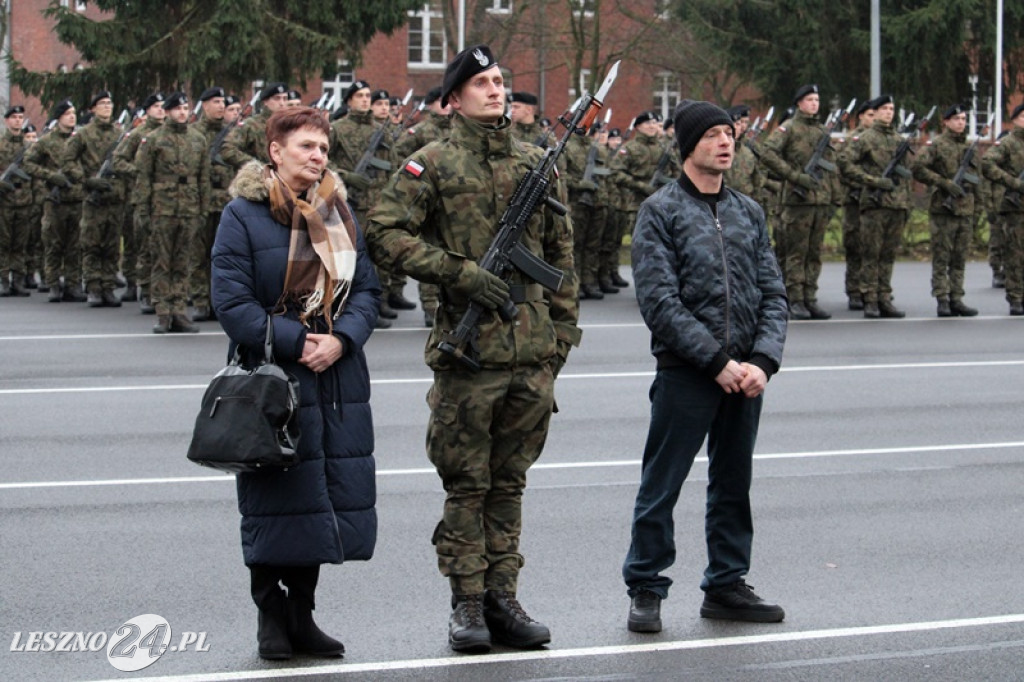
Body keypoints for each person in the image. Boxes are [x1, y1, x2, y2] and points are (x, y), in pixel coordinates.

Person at [367, 44, 580, 654]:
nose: (496, 90)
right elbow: (383, 232)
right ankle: (466, 603)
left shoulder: (540, 162)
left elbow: (561, 259)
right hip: (469, 354)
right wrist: (458, 274)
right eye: (482, 83)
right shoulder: (430, 163)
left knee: (510, 483)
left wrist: (561, 338)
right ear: (454, 98)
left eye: (499, 81)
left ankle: (503, 598)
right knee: (468, 484)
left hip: (531, 351)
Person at [211, 107, 380, 659]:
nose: (318, 156)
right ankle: (270, 616)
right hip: (272, 378)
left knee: (319, 500)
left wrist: (343, 338)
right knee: (272, 498)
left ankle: (303, 615)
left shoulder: (339, 214)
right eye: (306, 146)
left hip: (334, 378)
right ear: (275, 152)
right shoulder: (242, 214)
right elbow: (232, 303)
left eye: (324, 148)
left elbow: (368, 294)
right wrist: (294, 341)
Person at [623, 100, 788, 634]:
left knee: (733, 484)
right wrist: (716, 362)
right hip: (688, 373)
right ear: (689, 144)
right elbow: (659, 301)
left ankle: (726, 584)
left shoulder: (748, 211)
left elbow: (773, 294)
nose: (726, 142)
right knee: (662, 485)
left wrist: (763, 361)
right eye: (714, 134)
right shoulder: (661, 211)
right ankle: (646, 585)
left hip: (745, 378)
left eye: (731, 134)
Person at [135, 92, 210, 333]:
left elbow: (203, 178)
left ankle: (179, 309)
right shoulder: (153, 139)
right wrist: (143, 210)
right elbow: (144, 177)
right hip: (162, 208)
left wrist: (203, 209)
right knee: (162, 261)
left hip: (189, 208)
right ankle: (163, 312)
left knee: (182, 261)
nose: (182, 112)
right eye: (176, 108)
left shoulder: (198, 139)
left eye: (185, 108)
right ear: (167, 112)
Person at [759, 84, 835, 320]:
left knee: (814, 252)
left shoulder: (822, 130)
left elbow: (831, 168)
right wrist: (793, 176)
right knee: (796, 253)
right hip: (796, 200)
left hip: (819, 200)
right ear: (799, 103)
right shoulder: (789, 128)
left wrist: (831, 197)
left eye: (817, 99)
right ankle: (794, 299)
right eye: (810, 99)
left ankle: (810, 297)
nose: (814, 103)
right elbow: (767, 152)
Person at [838, 95, 910, 318]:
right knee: (871, 253)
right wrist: (871, 181)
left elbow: (906, 174)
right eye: (885, 109)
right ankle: (869, 298)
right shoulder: (865, 138)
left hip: (896, 204)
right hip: (874, 204)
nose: (889, 112)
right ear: (875, 112)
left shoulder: (899, 140)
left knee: (888, 255)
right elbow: (844, 163)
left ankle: (884, 297)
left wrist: (905, 204)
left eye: (891, 108)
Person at [912, 104, 980, 317]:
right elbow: (918, 168)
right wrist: (943, 183)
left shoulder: (969, 147)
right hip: (944, 208)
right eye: (956, 119)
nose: (961, 122)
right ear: (946, 122)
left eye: (963, 119)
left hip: (964, 209)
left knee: (959, 257)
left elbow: (978, 180)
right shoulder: (937, 145)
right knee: (942, 256)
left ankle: (956, 298)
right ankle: (942, 298)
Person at [61, 90, 126, 308]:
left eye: (109, 103)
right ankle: (93, 288)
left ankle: (108, 287)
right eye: (102, 104)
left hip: (114, 197)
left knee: (111, 245)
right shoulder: (83, 134)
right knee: (91, 244)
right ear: (93, 109)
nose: (107, 107)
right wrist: (87, 180)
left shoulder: (120, 134)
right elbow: (68, 162)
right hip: (93, 198)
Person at [22, 99, 86, 302]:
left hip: (76, 198)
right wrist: (50, 176)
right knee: (53, 244)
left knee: (75, 246)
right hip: (55, 200)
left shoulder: (81, 139)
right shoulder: (47, 141)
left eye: (74, 113)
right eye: (68, 113)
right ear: (59, 117)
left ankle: (72, 284)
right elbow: (28, 163)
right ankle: (53, 284)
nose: (72, 117)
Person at [112, 91, 165, 307]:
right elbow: (118, 160)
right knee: (144, 247)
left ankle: (164, 293)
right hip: (142, 197)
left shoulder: (170, 133)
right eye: (156, 106)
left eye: (163, 106)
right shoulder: (138, 134)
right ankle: (144, 290)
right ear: (148, 110)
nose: (161, 110)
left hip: (167, 200)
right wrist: (140, 171)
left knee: (165, 249)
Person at [982, 103, 1024, 315]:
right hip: (1015, 209)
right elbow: (987, 163)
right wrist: (1013, 183)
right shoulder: (1007, 143)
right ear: (1015, 118)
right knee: (1015, 254)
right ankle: (1016, 298)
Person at [837, 101, 875, 311]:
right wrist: (859, 184)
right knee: (855, 245)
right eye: (870, 115)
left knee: (872, 247)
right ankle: (854, 290)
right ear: (861, 116)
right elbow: (840, 168)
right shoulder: (852, 139)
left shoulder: (881, 140)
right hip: (854, 200)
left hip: (874, 201)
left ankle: (870, 288)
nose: (873, 119)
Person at [0, 105, 34, 296]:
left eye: (21, 117)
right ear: (7, 120)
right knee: (4, 242)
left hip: (24, 200)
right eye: (14, 117)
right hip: (4, 201)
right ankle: (4, 280)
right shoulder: (1, 143)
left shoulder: (28, 146)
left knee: (21, 242)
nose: (18, 120)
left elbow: (35, 170)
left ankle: (18, 280)